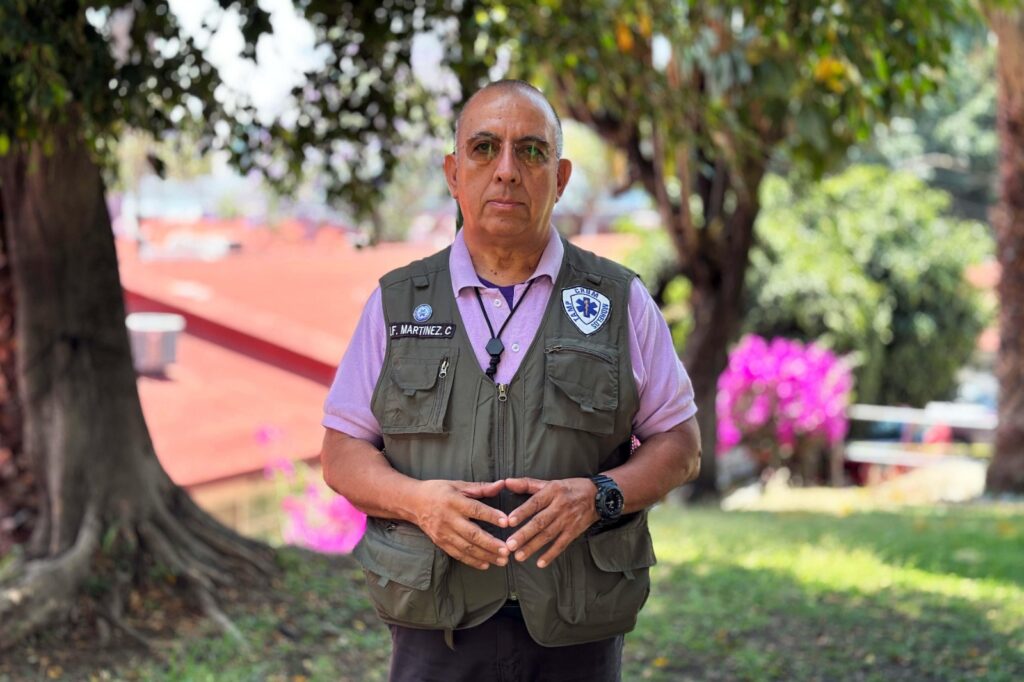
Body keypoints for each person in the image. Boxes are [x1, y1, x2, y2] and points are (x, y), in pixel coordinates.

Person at [320, 80, 701, 682]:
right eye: (483, 148)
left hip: (577, 624)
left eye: (530, 151)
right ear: (453, 174)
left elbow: (680, 446)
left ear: (561, 177)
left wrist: (599, 495)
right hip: (434, 623)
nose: (506, 170)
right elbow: (342, 453)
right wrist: (417, 504)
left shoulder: (618, 300)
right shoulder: (397, 303)